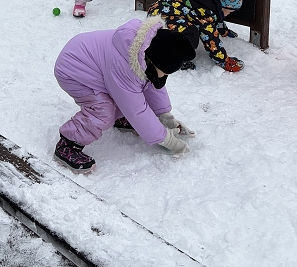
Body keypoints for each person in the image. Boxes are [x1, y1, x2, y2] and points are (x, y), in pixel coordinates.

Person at [53, 17, 196, 172]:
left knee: (124, 95)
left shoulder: (145, 51)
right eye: (165, 72)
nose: (163, 77)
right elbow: (135, 109)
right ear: (155, 63)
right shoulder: (125, 66)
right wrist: (167, 140)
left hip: (92, 63)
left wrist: (165, 116)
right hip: (72, 70)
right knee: (103, 110)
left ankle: (120, 118)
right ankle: (68, 144)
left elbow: (151, 86)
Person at [146, 0, 245, 72]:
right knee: (191, 35)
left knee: (187, 27)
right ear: (223, 5)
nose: (228, 15)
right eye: (229, 12)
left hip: (158, 11)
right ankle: (173, 58)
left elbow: (216, 19)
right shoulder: (206, 11)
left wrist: (224, 31)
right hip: (164, 20)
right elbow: (210, 38)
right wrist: (224, 61)